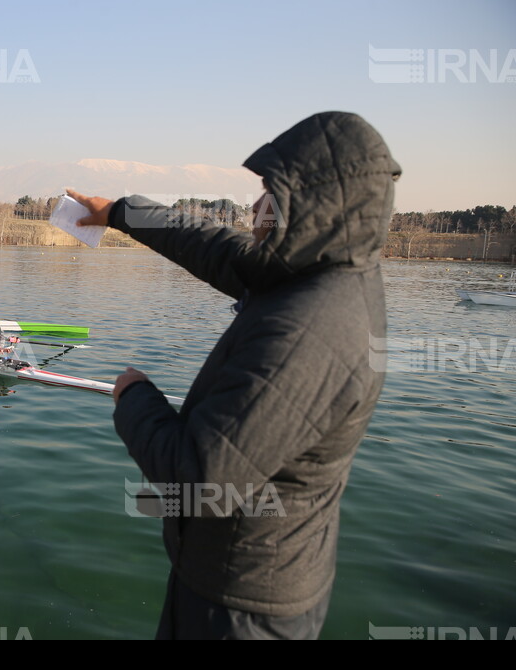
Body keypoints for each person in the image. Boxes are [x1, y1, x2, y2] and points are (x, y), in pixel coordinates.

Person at [68, 111, 401, 640]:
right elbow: (211, 245)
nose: (254, 206)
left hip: (245, 608)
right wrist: (120, 213)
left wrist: (134, 398)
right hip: (236, 577)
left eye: (270, 192)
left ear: (314, 202)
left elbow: (199, 479)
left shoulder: (311, 328)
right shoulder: (315, 271)